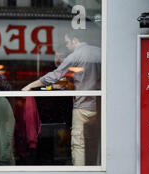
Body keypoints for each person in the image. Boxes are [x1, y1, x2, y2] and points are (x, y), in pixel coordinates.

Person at [22, 30, 101, 166]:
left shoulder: (75, 55)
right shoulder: (100, 52)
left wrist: (30, 85)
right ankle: (96, 169)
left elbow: (54, 76)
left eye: (67, 42)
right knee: (95, 142)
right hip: (100, 107)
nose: (67, 45)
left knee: (79, 145)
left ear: (75, 40)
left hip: (81, 107)